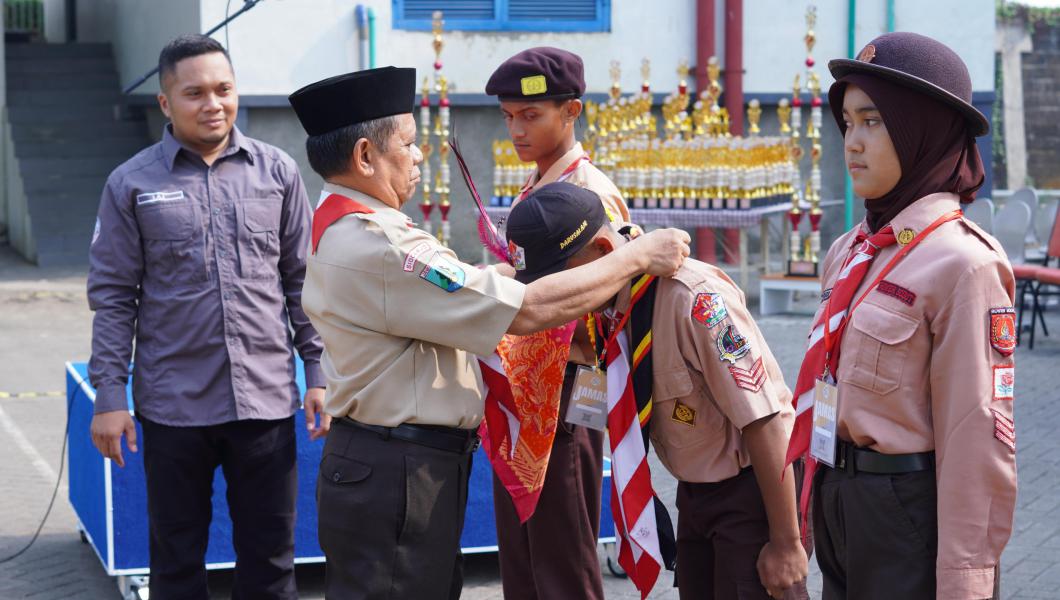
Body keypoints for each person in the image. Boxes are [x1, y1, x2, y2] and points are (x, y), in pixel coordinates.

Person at [287, 66, 690, 600]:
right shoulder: (377, 244)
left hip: (397, 460)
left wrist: (515, 277)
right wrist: (636, 255)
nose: (419, 155)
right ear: (365, 157)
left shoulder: (355, 227)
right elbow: (519, 312)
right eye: (408, 143)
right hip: (396, 468)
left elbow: (472, 288)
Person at [87, 34, 326, 599]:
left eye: (223, 89)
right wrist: (109, 395)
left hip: (265, 402)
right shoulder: (132, 184)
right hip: (174, 408)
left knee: (271, 563)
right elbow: (115, 296)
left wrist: (317, 373)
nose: (213, 103)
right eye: (194, 93)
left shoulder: (277, 173)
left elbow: (304, 284)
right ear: (166, 103)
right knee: (176, 564)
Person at [784, 32, 1017, 600]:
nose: (852, 143)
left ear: (923, 130)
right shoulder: (850, 250)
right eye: (847, 122)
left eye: (874, 121)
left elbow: (975, 443)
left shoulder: (964, 264)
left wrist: (964, 585)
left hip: (903, 512)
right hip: (838, 495)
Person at [507, 182, 809, 599]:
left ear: (602, 253)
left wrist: (786, 544)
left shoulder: (693, 298)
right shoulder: (609, 306)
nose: (565, 297)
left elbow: (765, 419)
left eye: (564, 281)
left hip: (753, 493)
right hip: (695, 492)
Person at [482, 46, 629, 599]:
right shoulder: (539, 182)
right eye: (509, 117)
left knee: (562, 561)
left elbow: (611, 296)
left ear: (572, 112)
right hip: (524, 387)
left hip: (567, 391)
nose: (517, 130)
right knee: (521, 560)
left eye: (531, 115)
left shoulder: (590, 193)